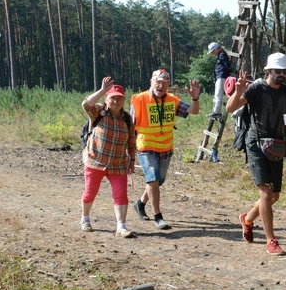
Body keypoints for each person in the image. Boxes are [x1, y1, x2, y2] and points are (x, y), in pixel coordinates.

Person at [226, 52, 286, 256]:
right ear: (268, 70)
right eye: (278, 71)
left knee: (274, 196)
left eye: (285, 71)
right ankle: (271, 241)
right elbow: (231, 107)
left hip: (278, 144)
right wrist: (239, 91)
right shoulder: (256, 87)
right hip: (256, 143)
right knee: (265, 193)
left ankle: (247, 219)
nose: (282, 75)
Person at [131, 69, 201, 230]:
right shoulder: (139, 99)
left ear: (168, 85)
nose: (160, 85)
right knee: (153, 179)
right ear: (151, 81)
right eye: (157, 82)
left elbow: (194, 111)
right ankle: (158, 217)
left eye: (164, 83)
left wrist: (195, 98)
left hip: (165, 148)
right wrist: (129, 149)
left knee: (157, 181)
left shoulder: (173, 100)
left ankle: (140, 204)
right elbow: (131, 125)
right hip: (146, 147)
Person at [80, 77, 136, 238]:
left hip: (118, 164)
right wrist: (103, 90)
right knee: (90, 192)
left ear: (124, 100)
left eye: (119, 98)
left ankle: (121, 227)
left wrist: (132, 161)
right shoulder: (98, 111)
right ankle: (85, 219)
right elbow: (86, 104)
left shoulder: (127, 118)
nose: (116, 101)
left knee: (121, 194)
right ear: (107, 99)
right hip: (95, 161)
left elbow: (131, 142)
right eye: (113, 98)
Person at [207, 42, 232, 120]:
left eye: (213, 51)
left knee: (218, 94)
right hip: (220, 77)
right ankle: (216, 111)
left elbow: (227, 66)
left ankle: (217, 112)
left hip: (222, 77)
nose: (212, 53)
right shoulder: (220, 55)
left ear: (217, 48)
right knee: (217, 95)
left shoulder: (222, 55)